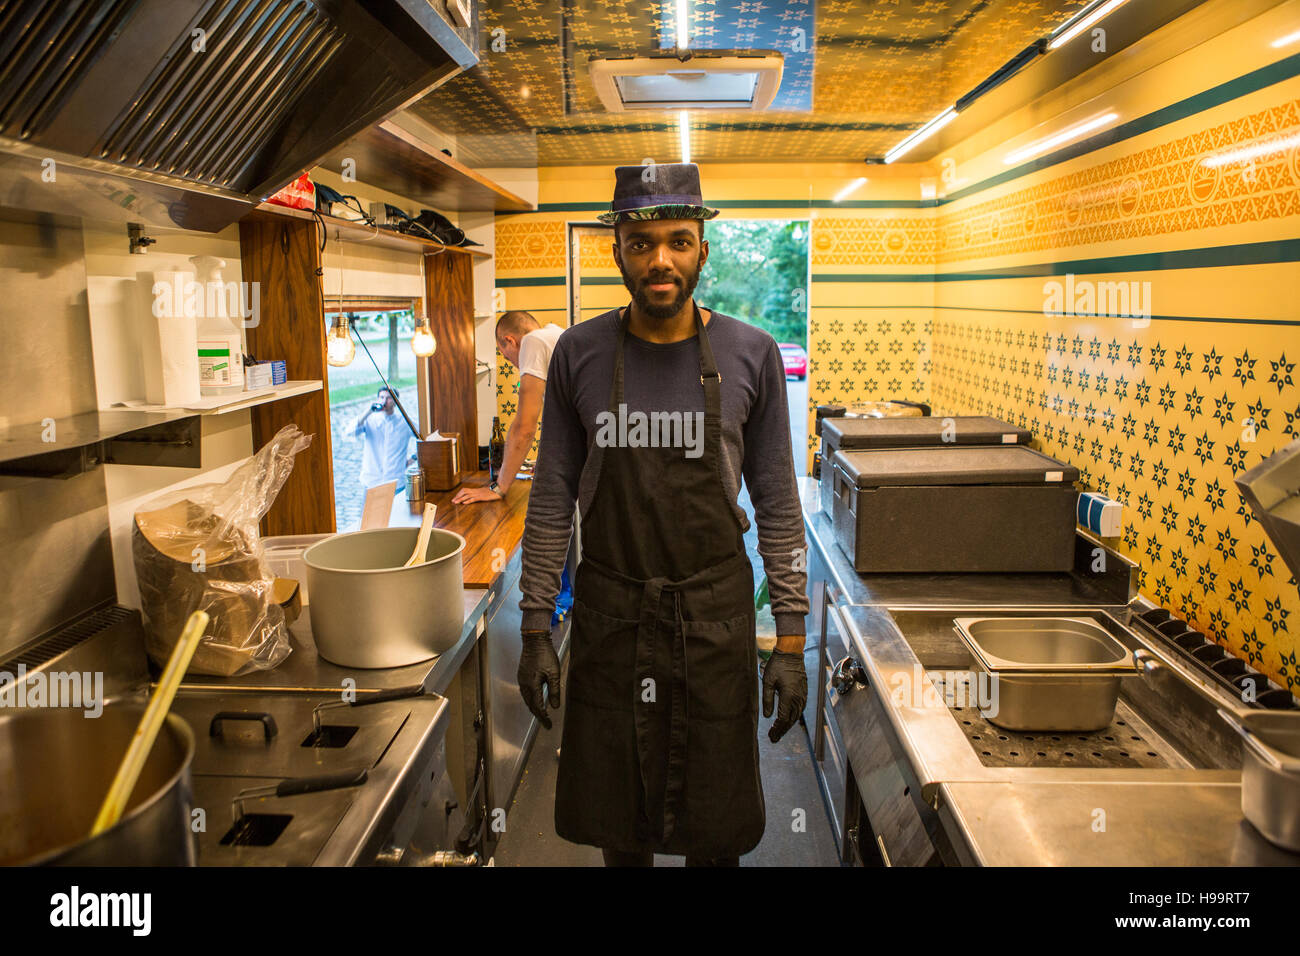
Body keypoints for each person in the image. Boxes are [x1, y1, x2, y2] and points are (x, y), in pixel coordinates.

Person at [515, 162, 809, 867]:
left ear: (703, 248)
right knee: (622, 829)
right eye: (641, 243)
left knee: (715, 827)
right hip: (612, 617)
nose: (661, 260)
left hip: (713, 619)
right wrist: (533, 628)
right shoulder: (577, 355)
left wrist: (791, 640)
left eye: (678, 241)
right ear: (616, 249)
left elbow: (777, 501)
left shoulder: (751, 353)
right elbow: (553, 494)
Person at [452, 310, 563, 504]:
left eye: (506, 357)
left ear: (510, 340)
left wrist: (498, 488)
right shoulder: (555, 335)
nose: (513, 364)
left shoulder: (532, 341)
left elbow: (524, 428)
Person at [354, 386, 416, 490]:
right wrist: (369, 411)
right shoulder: (370, 420)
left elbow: (424, 438)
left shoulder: (404, 422)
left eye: (388, 398)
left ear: (396, 402)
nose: (384, 401)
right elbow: (351, 431)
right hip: (372, 481)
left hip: (395, 482)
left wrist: (413, 458)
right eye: (381, 397)